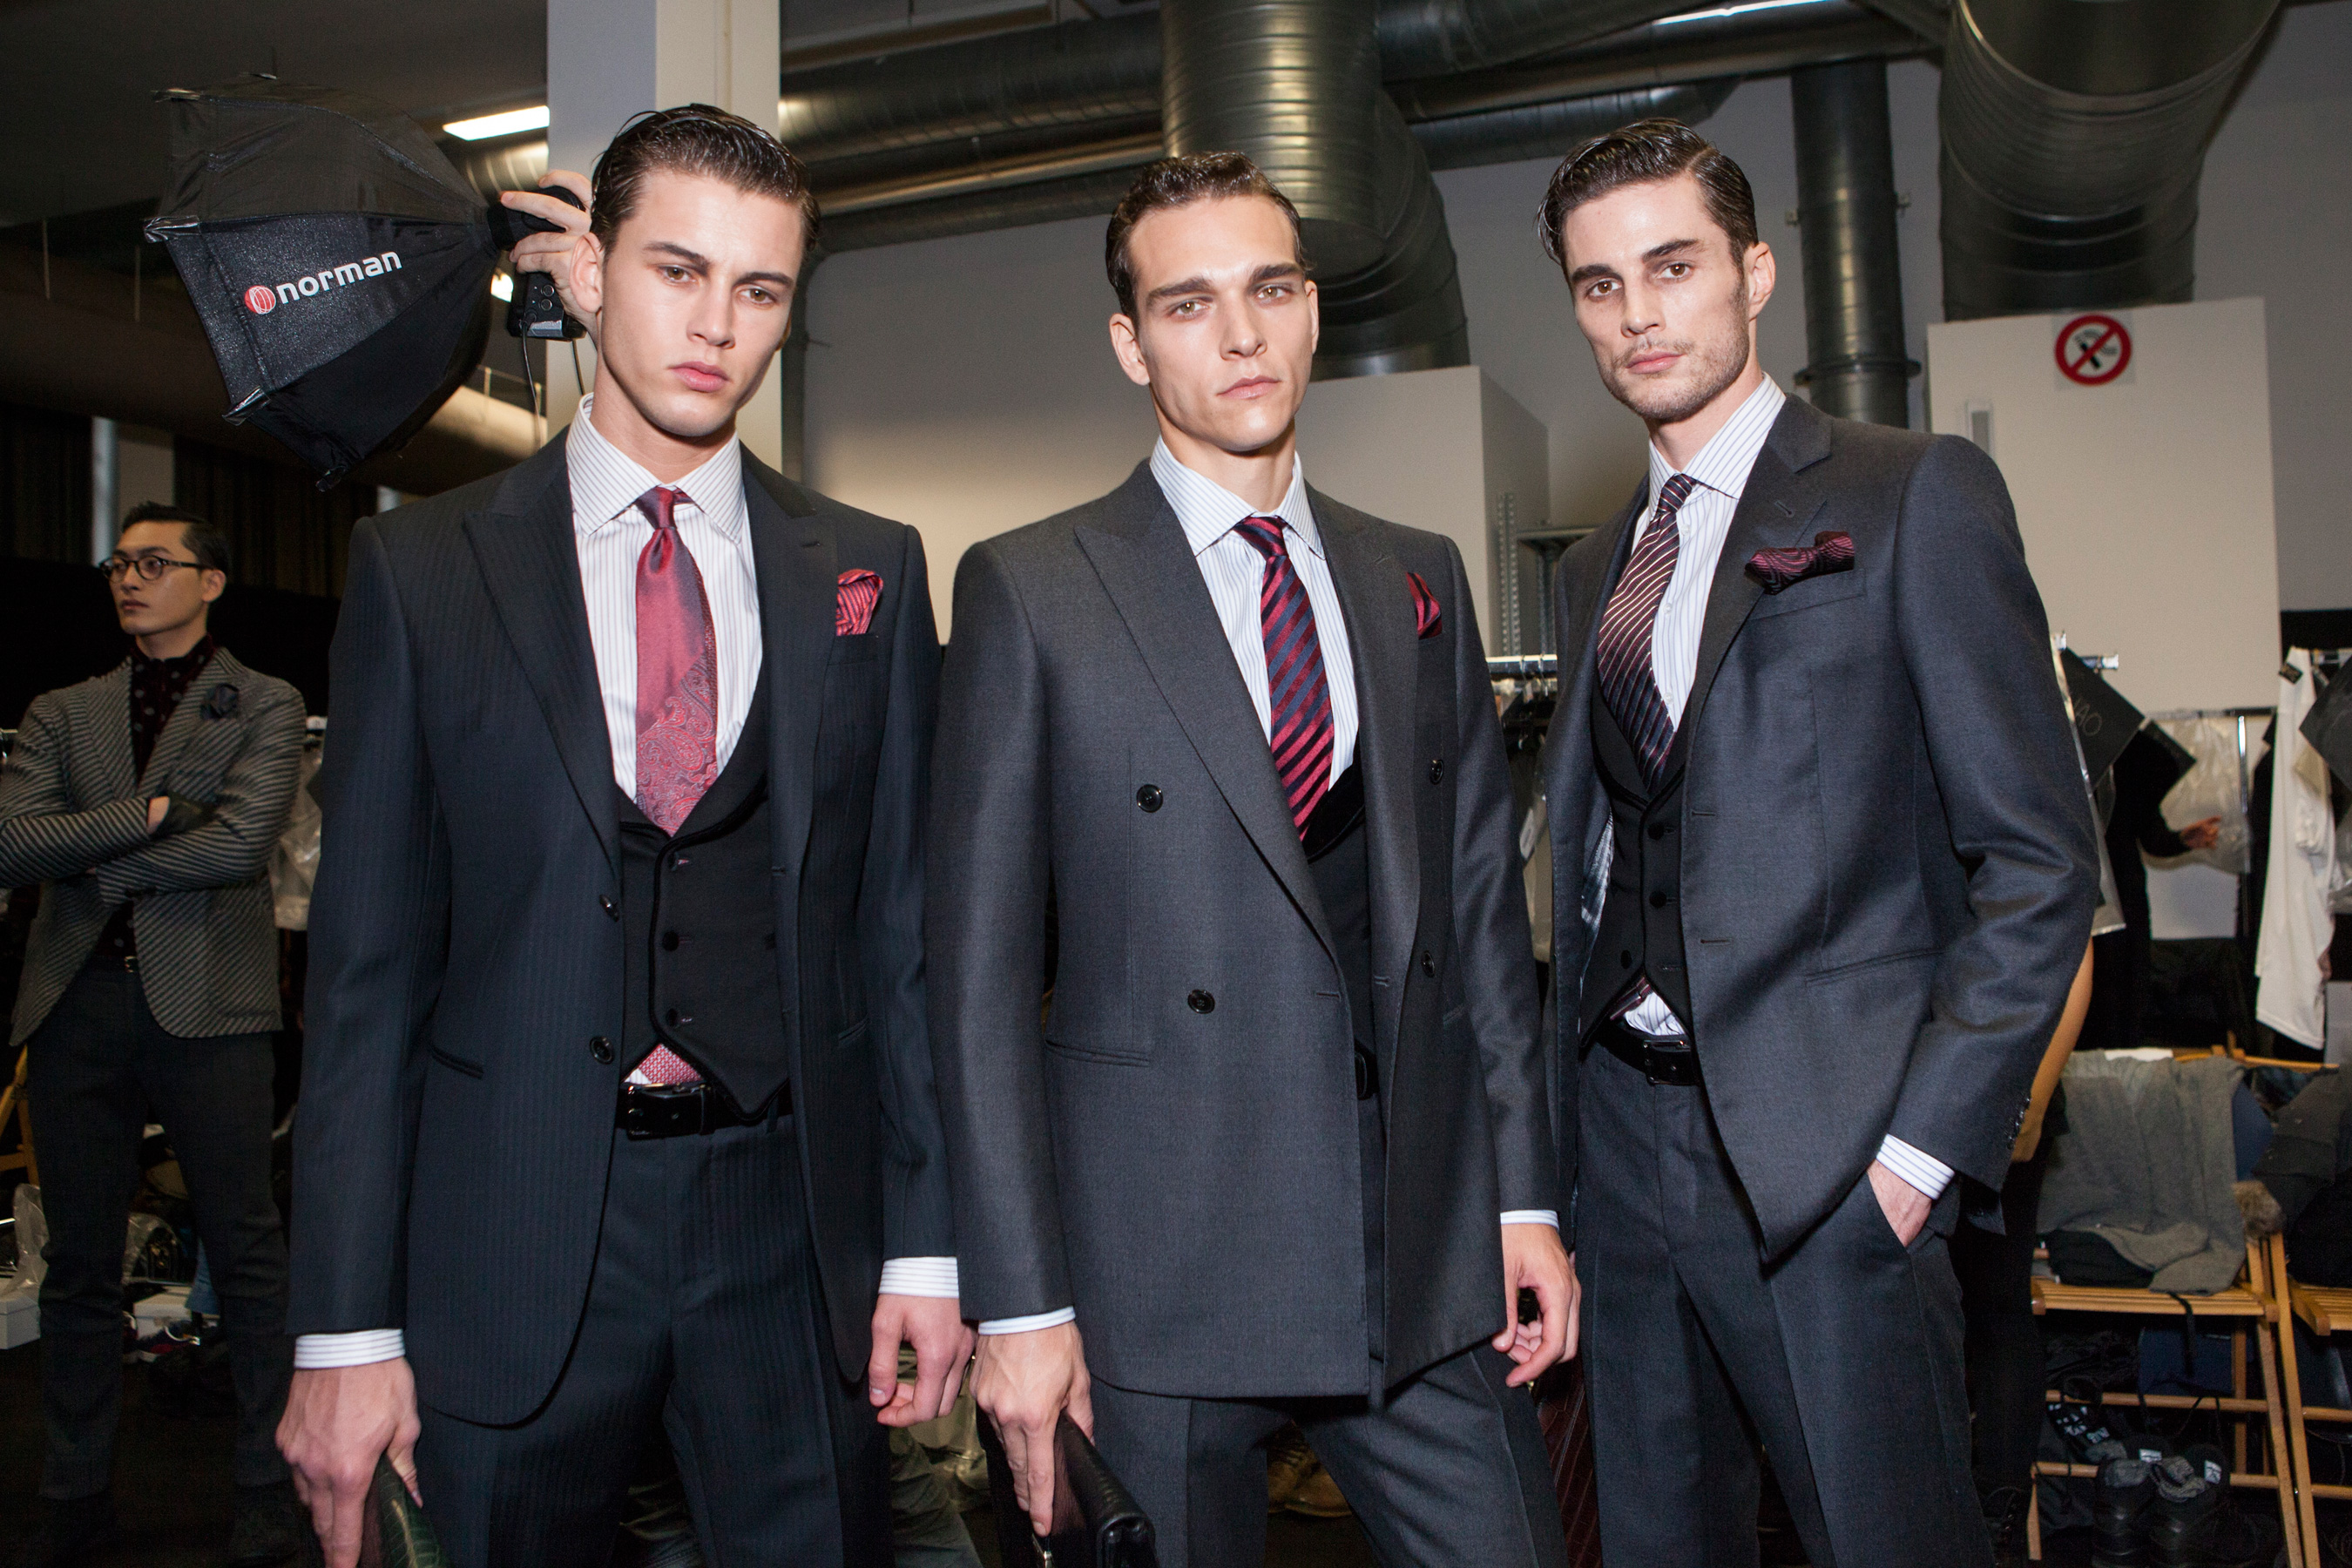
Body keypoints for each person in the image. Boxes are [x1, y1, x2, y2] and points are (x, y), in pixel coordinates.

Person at [275, 105, 968, 1568]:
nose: (718, 325)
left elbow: (903, 943)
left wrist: (925, 1243)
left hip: (787, 1233)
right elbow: (366, 978)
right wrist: (343, 1328)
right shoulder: (422, 571)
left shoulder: (871, 571)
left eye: (761, 289)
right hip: (510, 1232)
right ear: (588, 273)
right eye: (678, 270)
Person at [926, 152, 1575, 1568]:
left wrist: (1521, 1196)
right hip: (1155, 1264)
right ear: (1131, 343)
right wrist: (1021, 1305)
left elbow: (1476, 919)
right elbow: (974, 988)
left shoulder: (1415, 575)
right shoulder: (1035, 589)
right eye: (1189, 304)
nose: (1240, 336)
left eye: (1271, 290)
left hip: (1413, 1249)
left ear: (1313, 310)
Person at [1535, 120, 2097, 1566]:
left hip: (1832, 1159)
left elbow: (2041, 863)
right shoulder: (1597, 564)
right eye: (1600, 284)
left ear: (1756, 272)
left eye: (1673, 266)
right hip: (1622, 1148)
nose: (1638, 312)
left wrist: (1916, 1158)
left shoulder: (1912, 494)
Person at [0, 503, 307, 1567]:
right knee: (79, 1269)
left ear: (210, 582)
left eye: (154, 563)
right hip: (75, 1005)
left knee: (248, 1257)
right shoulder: (62, 710)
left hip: (211, 1011)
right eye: (119, 563)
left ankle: (266, 1489)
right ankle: (74, 1496)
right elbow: (10, 844)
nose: (129, 579)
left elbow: (241, 846)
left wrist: (87, 855)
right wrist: (151, 816)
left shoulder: (266, 702)